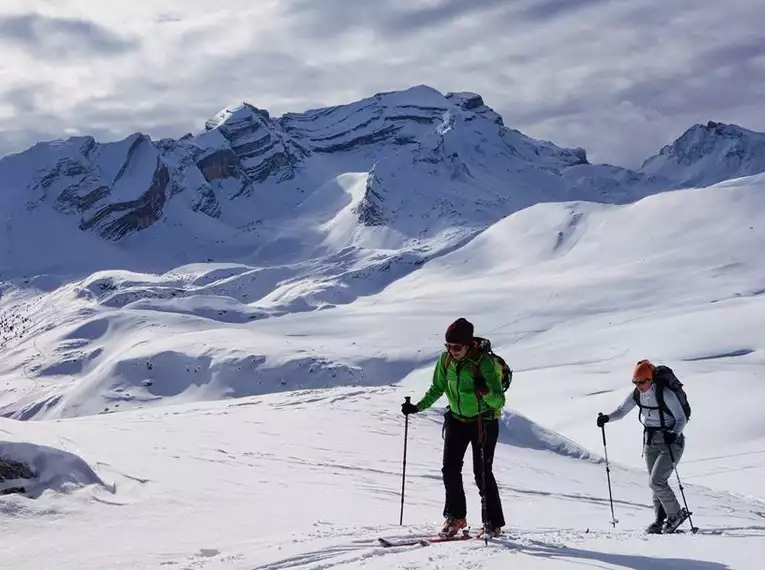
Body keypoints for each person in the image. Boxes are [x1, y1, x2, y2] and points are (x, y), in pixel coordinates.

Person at [401, 317, 507, 538]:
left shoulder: (483, 364)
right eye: (447, 346)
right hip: (457, 419)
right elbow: (437, 388)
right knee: (449, 470)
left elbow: (499, 401)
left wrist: (485, 392)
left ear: (468, 344)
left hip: (483, 421)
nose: (452, 351)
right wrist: (417, 407)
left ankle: (492, 523)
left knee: (482, 473)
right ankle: (456, 517)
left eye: (456, 347)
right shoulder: (445, 361)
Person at [596, 359, 689, 534]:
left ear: (651, 379)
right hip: (650, 440)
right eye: (635, 382)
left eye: (642, 382)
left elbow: (681, 418)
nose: (638, 385)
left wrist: (674, 434)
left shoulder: (665, 394)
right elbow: (622, 411)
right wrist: (607, 418)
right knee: (655, 482)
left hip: (671, 442)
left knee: (656, 481)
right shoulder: (636, 395)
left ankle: (676, 515)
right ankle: (659, 520)